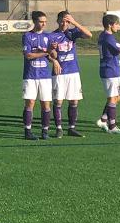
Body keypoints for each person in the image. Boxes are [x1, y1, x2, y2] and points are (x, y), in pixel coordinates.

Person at [50, 11, 92, 137]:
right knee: (58, 101)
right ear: (57, 21)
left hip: (73, 71)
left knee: (74, 101)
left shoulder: (72, 33)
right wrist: (54, 59)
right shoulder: (52, 36)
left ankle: (71, 128)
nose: (64, 23)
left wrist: (74, 22)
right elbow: (47, 54)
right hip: (59, 73)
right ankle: (58, 128)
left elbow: (89, 35)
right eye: (62, 21)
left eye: (67, 21)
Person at [95, 14, 120, 135]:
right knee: (112, 98)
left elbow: (117, 48)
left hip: (112, 70)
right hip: (109, 70)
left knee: (119, 96)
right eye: (117, 24)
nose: (119, 26)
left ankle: (103, 119)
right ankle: (112, 126)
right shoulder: (108, 37)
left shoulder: (106, 36)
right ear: (110, 25)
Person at [22, 10, 54, 140]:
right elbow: (28, 55)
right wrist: (45, 53)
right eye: (41, 22)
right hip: (30, 75)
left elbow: (53, 55)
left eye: (45, 22)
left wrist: (52, 51)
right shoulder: (27, 36)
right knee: (30, 102)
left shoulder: (48, 36)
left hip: (45, 76)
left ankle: (45, 131)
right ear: (34, 22)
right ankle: (27, 131)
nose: (44, 24)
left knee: (46, 104)